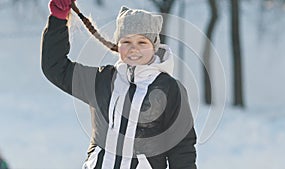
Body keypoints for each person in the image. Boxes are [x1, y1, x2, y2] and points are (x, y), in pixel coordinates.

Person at [41, 0, 197, 168]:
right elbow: (55, 67)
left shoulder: (169, 89)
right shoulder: (103, 80)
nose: (133, 49)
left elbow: (181, 147)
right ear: (118, 46)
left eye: (142, 42)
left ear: (154, 46)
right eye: (126, 42)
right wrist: (58, 19)